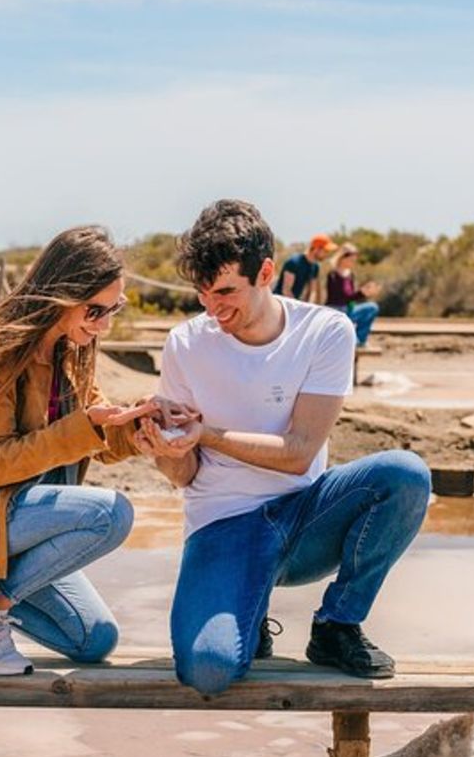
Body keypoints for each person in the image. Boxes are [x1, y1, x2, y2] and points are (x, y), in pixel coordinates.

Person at [136, 199, 431, 696]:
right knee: (207, 672)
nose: (213, 307)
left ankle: (337, 624)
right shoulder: (184, 343)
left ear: (266, 272)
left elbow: (298, 452)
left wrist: (206, 435)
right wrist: (163, 449)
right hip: (221, 523)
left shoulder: (325, 332)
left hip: (304, 518)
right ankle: (249, 618)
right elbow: (185, 475)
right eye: (203, 293)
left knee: (405, 475)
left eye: (227, 290)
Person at [0, 225, 176, 675]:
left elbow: (95, 429)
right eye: (96, 310)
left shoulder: (72, 347)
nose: (104, 324)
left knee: (94, 641)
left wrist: (140, 427)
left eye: (114, 309)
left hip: (23, 524)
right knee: (112, 514)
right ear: (63, 294)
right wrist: (86, 427)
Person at [324, 243, 381, 347]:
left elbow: (351, 297)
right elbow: (341, 297)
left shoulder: (350, 275)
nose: (353, 263)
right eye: (351, 260)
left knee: (372, 308)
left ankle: (359, 340)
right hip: (336, 311)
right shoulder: (333, 275)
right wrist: (362, 293)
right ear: (342, 258)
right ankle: (354, 341)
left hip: (348, 309)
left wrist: (364, 292)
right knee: (368, 307)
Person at [273, 233, 337, 304]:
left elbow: (313, 291)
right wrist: (297, 307)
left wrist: (309, 306)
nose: (327, 254)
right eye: (326, 251)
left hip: (294, 304)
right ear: (316, 249)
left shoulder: (315, 267)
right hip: (279, 303)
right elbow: (286, 290)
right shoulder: (294, 262)